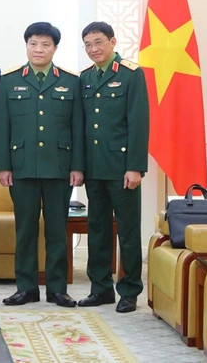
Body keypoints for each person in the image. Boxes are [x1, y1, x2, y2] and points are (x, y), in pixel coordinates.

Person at [0, 21, 84, 307]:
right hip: (22, 167)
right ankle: (26, 287)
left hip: (59, 167)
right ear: (26, 46)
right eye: (33, 44)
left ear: (55, 48)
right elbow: (3, 127)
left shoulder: (71, 81)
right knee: (25, 230)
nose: (39, 49)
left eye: (45, 44)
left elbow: (78, 127)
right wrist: (4, 166)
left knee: (57, 230)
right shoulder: (9, 80)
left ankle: (57, 289)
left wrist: (77, 166)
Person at [77, 21, 148, 313]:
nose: (94, 49)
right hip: (95, 168)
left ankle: (129, 290)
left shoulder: (131, 75)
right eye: (88, 45)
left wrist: (135, 167)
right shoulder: (85, 78)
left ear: (112, 41)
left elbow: (138, 123)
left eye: (98, 42)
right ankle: (101, 288)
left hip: (122, 169)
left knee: (128, 231)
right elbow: (82, 126)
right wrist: (80, 166)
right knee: (98, 229)